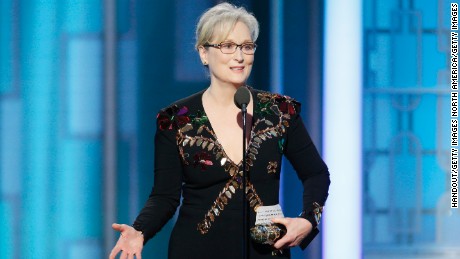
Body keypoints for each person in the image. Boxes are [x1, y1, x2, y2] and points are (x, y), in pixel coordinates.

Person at [109, 2, 330, 259]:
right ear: (204, 52)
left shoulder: (279, 111)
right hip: (196, 250)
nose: (239, 56)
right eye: (227, 46)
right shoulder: (176, 120)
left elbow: (316, 173)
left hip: (264, 250)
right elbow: (165, 196)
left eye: (246, 47)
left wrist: (308, 220)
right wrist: (139, 230)